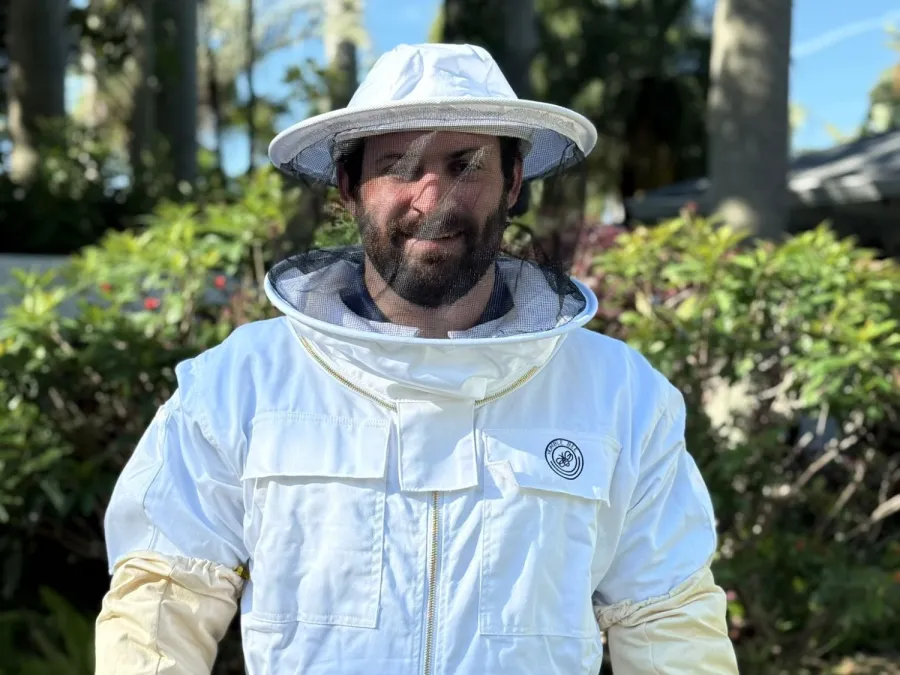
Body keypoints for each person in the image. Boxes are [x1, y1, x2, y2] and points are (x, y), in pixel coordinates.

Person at [95, 43, 739, 675]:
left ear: (513, 183)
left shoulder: (620, 395)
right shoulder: (239, 384)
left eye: (466, 164)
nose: (432, 199)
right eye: (399, 165)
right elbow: (160, 603)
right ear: (349, 187)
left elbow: (669, 624)